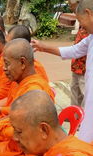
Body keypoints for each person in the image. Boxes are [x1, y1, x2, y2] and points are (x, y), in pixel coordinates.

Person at [31, 0, 93, 143]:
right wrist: (43, 47)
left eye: (80, 20)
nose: (81, 26)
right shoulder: (90, 38)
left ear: (88, 14)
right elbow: (74, 50)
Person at [66, 0, 89, 106]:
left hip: (84, 68)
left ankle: (84, 119)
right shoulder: (80, 18)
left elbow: (80, 48)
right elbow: (76, 48)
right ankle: (74, 118)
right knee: (75, 93)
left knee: (86, 95)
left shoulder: (88, 22)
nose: (70, 6)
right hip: (76, 66)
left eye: (71, 4)